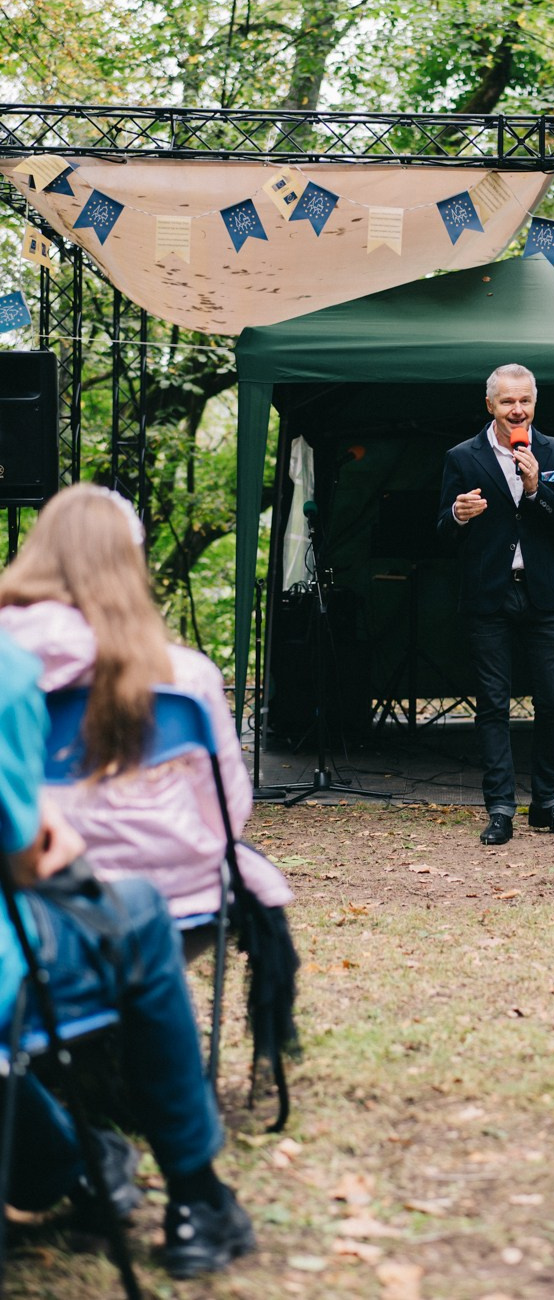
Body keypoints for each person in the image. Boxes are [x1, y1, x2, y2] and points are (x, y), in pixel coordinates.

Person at [0, 484, 299, 1096]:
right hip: (171, 894)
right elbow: (229, 814)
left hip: (26, 887)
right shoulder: (183, 678)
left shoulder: (8, 668)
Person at [0, 625, 256, 1276]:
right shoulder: (11, 673)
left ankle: (76, 1163)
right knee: (137, 909)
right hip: (50, 944)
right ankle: (196, 1197)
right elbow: (232, 807)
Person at [438, 364, 554, 844]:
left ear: (534, 403)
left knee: (552, 703)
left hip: (545, 596)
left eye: (524, 401)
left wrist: (537, 490)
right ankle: (500, 808)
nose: (517, 409)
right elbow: (441, 530)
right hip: (489, 596)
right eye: (507, 402)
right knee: (493, 707)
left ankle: (545, 804)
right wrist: (457, 516)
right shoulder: (462, 456)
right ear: (490, 406)